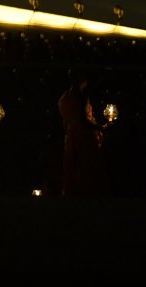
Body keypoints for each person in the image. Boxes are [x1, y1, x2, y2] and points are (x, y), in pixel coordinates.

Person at [57, 68, 110, 197]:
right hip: (83, 138)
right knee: (86, 167)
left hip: (71, 137)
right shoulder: (79, 98)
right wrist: (100, 127)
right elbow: (83, 120)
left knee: (73, 167)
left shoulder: (64, 98)